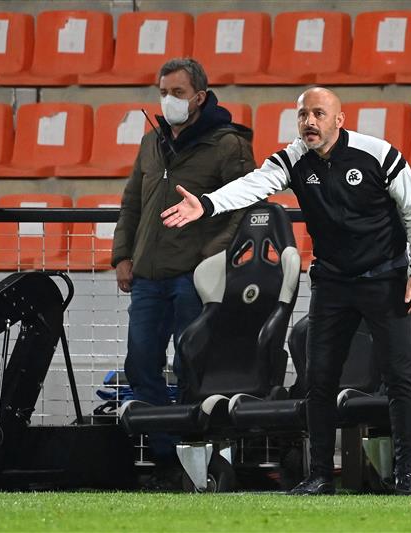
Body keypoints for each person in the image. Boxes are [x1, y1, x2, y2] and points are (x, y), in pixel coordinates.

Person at [161, 86, 411, 495]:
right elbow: (253, 185)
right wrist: (208, 203)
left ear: (339, 121)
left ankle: (407, 477)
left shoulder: (379, 154)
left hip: (385, 279)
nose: (309, 121)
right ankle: (320, 475)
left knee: (400, 379)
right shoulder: (293, 158)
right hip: (333, 283)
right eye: (303, 114)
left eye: (319, 114)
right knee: (318, 381)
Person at [111, 58, 255, 476]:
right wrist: (123, 255)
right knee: (141, 363)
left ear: (199, 97)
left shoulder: (228, 144)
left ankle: (202, 454)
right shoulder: (150, 143)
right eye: (162, 92)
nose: (168, 100)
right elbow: (131, 203)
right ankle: (169, 456)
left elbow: (243, 205)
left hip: (195, 277)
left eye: (176, 92)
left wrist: (211, 259)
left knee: (194, 365)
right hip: (147, 277)